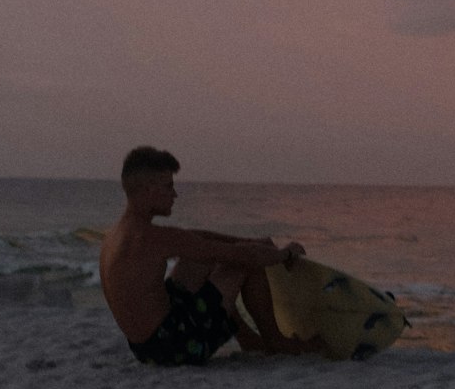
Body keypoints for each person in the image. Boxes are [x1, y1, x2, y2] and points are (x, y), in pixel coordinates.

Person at [100, 146, 322, 365]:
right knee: (242, 262)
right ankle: (276, 342)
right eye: (169, 186)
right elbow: (241, 257)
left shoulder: (116, 236)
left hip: (144, 348)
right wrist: (285, 253)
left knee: (199, 258)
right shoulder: (151, 238)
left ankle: (249, 339)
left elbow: (194, 239)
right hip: (174, 348)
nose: (174, 194)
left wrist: (246, 242)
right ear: (149, 190)